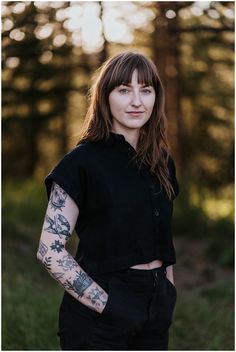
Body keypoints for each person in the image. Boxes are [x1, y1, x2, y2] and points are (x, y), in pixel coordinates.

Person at [37, 51, 179, 350]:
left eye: (146, 90)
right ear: (105, 96)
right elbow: (49, 250)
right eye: (124, 90)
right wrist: (109, 305)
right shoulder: (81, 162)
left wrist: (168, 292)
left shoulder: (162, 162)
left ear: (156, 97)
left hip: (156, 308)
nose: (137, 101)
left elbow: (162, 237)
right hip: (100, 313)